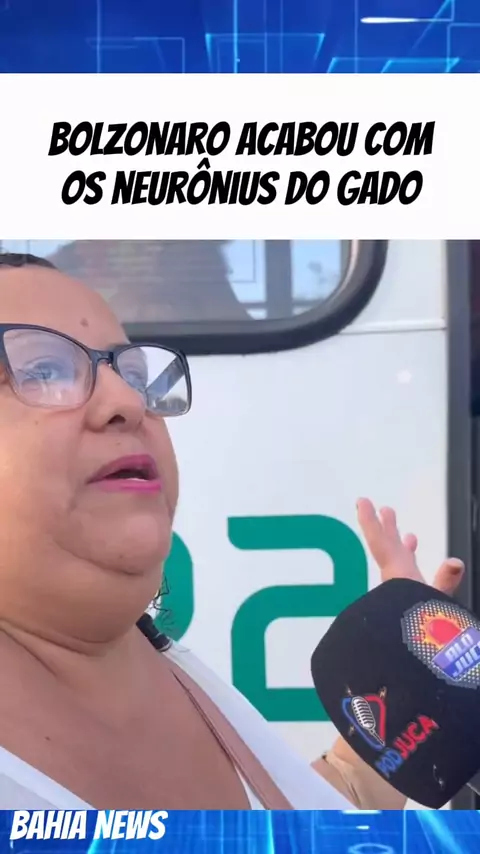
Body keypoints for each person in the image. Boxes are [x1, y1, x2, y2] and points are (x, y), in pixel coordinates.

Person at [0, 252, 464, 810]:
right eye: (43, 370)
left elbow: (291, 828)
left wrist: (399, 695)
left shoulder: (173, 671)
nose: (127, 401)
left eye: (134, 376)